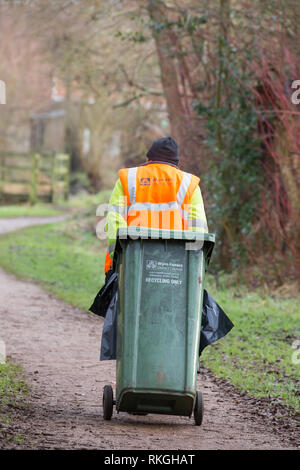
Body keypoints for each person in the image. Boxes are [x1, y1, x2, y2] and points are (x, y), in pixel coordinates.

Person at [104, 136, 208, 278]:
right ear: (176, 164)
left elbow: (114, 221)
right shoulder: (188, 184)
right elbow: (198, 229)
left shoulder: (128, 179)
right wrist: (194, 266)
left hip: (132, 263)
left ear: (148, 160)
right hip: (174, 267)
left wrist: (119, 258)